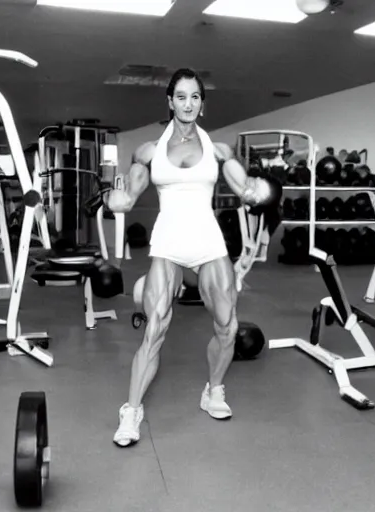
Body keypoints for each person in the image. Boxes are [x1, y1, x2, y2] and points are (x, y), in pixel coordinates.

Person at [105, 68, 280, 447]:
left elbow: (245, 188)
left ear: (202, 104)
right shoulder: (148, 152)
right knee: (155, 328)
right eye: (181, 96)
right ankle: (131, 410)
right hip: (168, 242)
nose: (188, 103)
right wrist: (115, 200)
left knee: (228, 326)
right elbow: (127, 196)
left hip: (207, 242)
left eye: (195, 96)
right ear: (170, 102)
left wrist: (257, 193)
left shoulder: (219, 152)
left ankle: (213, 390)